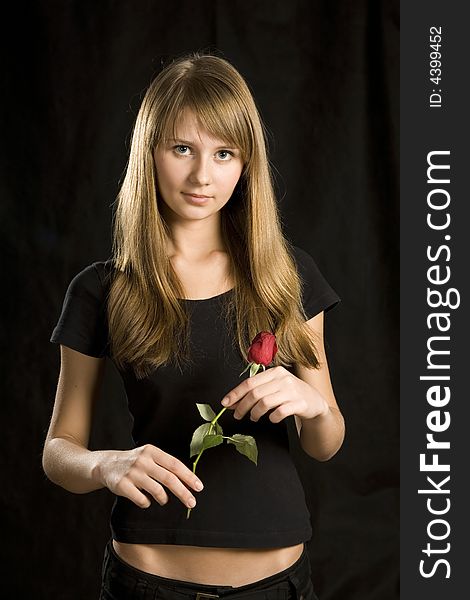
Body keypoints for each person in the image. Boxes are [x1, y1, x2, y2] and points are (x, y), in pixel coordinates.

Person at [43, 52, 344, 600]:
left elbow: (326, 443)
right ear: (150, 154)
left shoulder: (290, 275)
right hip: (147, 582)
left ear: (246, 164)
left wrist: (315, 405)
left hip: (275, 586)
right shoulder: (100, 289)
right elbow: (58, 450)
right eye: (182, 148)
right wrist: (105, 464)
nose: (203, 175)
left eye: (224, 153)